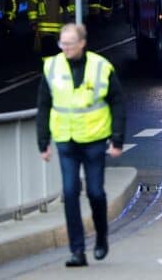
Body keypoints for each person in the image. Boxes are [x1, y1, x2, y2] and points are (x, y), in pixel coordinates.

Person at [38, 23, 125, 268]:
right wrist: (43, 142)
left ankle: (101, 236)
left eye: (69, 44)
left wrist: (117, 139)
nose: (65, 48)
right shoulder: (52, 66)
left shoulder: (101, 67)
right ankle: (77, 250)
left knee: (95, 192)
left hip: (95, 140)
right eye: (62, 44)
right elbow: (44, 104)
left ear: (82, 43)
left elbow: (117, 102)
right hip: (66, 140)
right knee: (69, 192)